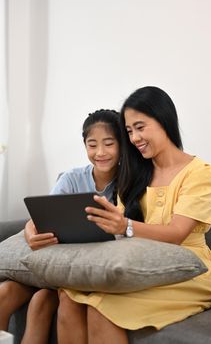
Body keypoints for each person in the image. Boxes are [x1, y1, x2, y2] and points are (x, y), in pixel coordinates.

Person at [56, 86, 211, 344]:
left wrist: (125, 226)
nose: (134, 138)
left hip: (190, 269)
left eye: (140, 127)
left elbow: (177, 233)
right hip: (141, 263)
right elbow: (118, 234)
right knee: (69, 298)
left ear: (164, 120)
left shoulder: (200, 173)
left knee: (101, 308)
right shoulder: (134, 173)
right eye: (130, 130)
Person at [0, 109, 121, 344]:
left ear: (122, 145)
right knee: (3, 294)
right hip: (53, 265)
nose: (100, 152)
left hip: (83, 271)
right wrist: (30, 235)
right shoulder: (72, 178)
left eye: (109, 143)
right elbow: (38, 220)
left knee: (41, 302)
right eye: (92, 144)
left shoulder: (130, 182)